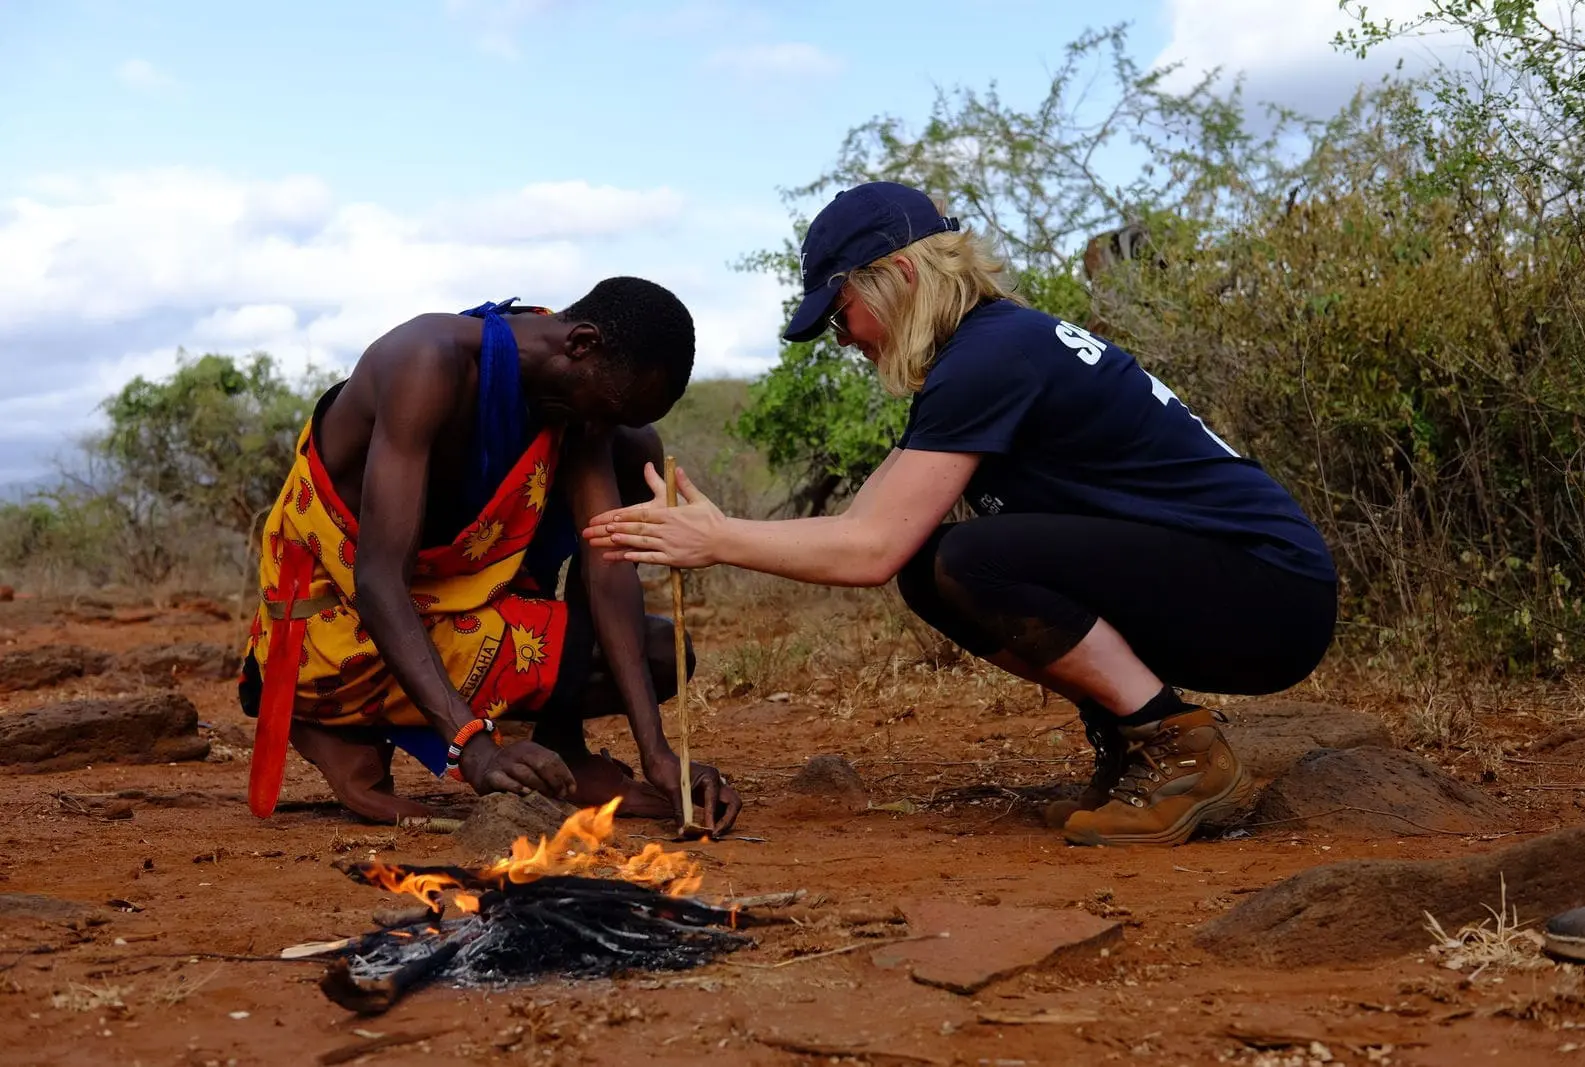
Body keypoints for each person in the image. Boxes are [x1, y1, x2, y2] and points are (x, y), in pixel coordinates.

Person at [583, 183, 1338, 848]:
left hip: (1269, 591)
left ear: (900, 275)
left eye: (842, 313)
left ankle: (1181, 751)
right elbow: (870, 525)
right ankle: (1137, 737)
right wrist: (720, 532)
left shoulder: (990, 356)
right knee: (931, 569)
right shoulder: (984, 351)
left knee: (973, 558)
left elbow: (868, 549)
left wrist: (720, 540)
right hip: (1242, 587)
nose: (844, 340)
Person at [239, 280, 741, 835]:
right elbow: (378, 581)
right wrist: (470, 746)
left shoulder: (580, 400)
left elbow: (607, 563)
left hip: (452, 617)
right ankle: (335, 727)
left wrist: (659, 755)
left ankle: (562, 746)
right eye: (608, 409)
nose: (599, 428)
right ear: (580, 344)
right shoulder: (426, 363)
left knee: (658, 651)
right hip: (337, 633)